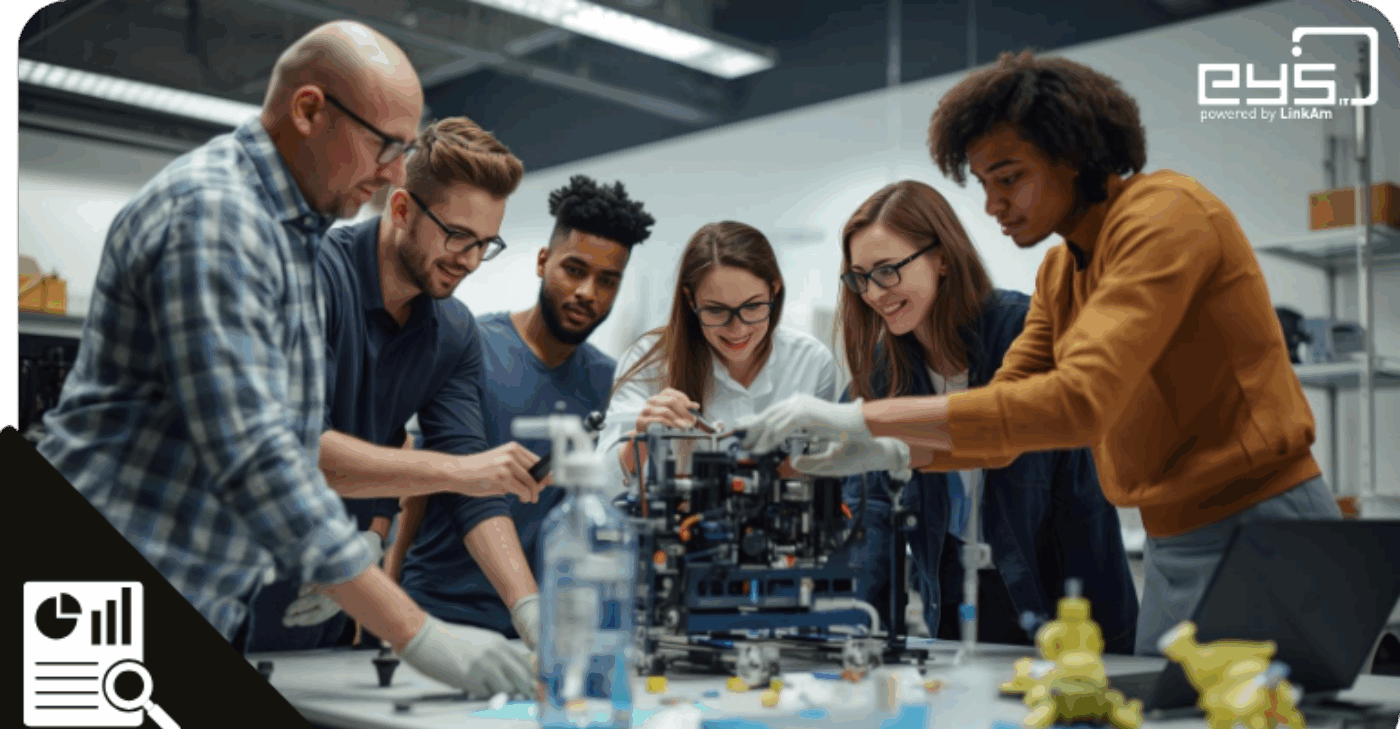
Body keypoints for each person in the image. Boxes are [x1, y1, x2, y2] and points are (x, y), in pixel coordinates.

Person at [739, 51, 1341, 656]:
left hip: (1260, 523)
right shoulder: (1061, 271)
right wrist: (883, 452)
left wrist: (863, 419)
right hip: (1173, 538)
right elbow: (1000, 421)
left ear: (1074, 155)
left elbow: (1081, 401)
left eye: (1010, 178)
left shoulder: (1166, 217)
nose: (994, 204)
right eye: (983, 184)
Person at [36, 22, 533, 697]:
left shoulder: (289, 236)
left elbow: (293, 445)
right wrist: (418, 632)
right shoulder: (219, 217)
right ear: (308, 111)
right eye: (385, 146)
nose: (394, 172)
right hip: (98, 613)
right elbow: (259, 456)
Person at [243, 117, 555, 655]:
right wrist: (465, 471)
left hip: (332, 596)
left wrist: (530, 612)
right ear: (402, 208)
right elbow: (293, 452)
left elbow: (471, 490)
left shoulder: (453, 332)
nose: (471, 262)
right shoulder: (310, 278)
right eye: (458, 236)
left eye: (486, 244)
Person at [816, 180, 1137, 652]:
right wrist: (850, 628)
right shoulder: (881, 378)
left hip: (1066, 598)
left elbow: (1069, 489)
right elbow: (872, 511)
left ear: (942, 257)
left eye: (887, 271)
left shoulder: (1025, 334)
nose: (873, 293)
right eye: (860, 277)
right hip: (953, 599)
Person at [385, 175, 656, 643]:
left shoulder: (612, 384)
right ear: (542, 261)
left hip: (538, 630)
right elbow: (419, 488)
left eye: (607, 280)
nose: (588, 292)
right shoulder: (471, 347)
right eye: (574, 269)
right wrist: (385, 599)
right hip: (438, 616)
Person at [596, 221, 839, 499]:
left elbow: (829, 482)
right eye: (716, 310)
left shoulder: (811, 364)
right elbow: (600, 489)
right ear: (690, 300)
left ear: (775, 290)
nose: (737, 328)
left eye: (752, 306)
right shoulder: (649, 362)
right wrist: (639, 440)